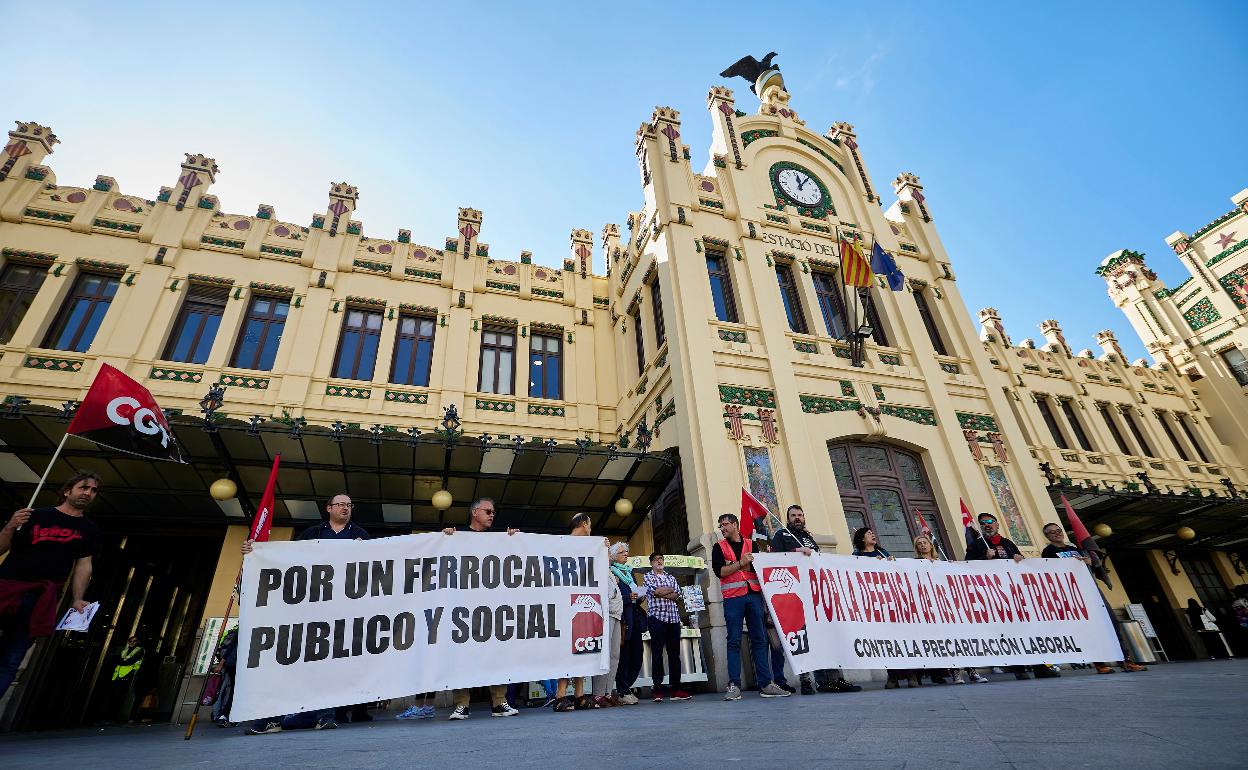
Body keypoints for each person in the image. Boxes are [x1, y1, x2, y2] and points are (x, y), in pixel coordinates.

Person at [242, 493, 371, 734]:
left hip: (340, 613)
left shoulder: (360, 535)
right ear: (329, 508)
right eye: (341, 504)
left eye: (349, 505)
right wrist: (256, 551)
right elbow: (288, 558)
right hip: (306, 611)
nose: (345, 508)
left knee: (328, 664)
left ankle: (326, 715)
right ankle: (272, 718)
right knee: (292, 664)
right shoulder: (312, 533)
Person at [0, 471, 102, 699]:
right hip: (7, 587)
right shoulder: (33, 516)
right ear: (67, 491)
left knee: (12, 658)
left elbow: (84, 566)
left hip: (42, 596)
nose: (88, 493)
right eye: (83, 487)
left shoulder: (89, 529)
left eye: (93, 490)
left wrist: (77, 598)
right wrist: (10, 526)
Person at [440, 497, 521, 720]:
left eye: (494, 512)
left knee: (497, 652)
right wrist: (445, 538)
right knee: (462, 655)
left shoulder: (500, 539)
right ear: (474, 513)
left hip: (493, 608)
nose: (492, 515)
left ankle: (499, 702)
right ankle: (462, 704)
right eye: (488, 511)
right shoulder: (456, 537)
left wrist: (515, 540)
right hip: (464, 609)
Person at [769, 505, 861, 695]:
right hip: (795, 595)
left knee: (826, 637)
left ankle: (833, 680)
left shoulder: (810, 538)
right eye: (793, 515)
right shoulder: (781, 535)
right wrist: (796, 551)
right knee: (803, 638)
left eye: (800, 515)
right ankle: (806, 681)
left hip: (816, 594)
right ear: (787, 518)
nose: (797, 518)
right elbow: (775, 559)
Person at [1040, 522, 1146, 674]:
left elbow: (1089, 566)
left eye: (1058, 530)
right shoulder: (1048, 552)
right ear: (1047, 536)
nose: (1057, 534)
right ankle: (1100, 664)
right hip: (1073, 594)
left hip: (1091, 589)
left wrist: (1089, 562)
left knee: (1112, 622)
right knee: (1090, 627)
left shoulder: (1075, 549)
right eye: (1052, 532)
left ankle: (1126, 660)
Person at [713, 513, 790, 701]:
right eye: (720, 526)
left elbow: (758, 567)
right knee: (734, 640)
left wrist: (735, 566)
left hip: (754, 596)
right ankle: (734, 685)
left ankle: (766, 684)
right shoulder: (718, 547)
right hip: (733, 599)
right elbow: (720, 571)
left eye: (724, 525)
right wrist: (741, 564)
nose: (722, 529)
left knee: (760, 639)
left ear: (735, 524)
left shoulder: (751, 544)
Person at [965, 513, 1045, 680]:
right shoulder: (976, 545)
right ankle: (1019, 668)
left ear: (997, 525)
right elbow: (968, 566)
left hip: (1016, 593)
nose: (987, 525)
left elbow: (1020, 562)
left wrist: (1019, 558)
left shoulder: (1008, 543)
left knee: (1030, 629)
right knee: (1010, 631)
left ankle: (1040, 666)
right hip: (995, 595)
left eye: (990, 522)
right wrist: (984, 558)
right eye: (983, 523)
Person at [554, 512, 609, 712]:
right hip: (566, 602)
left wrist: (603, 553)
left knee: (583, 647)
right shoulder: (562, 543)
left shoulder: (591, 546)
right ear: (584, 524)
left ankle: (579, 695)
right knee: (566, 649)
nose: (591, 530)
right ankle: (560, 695)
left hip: (584, 600)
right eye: (590, 525)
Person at [852, 527, 915, 688]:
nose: (873, 534)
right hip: (875, 602)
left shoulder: (885, 553)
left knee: (902, 637)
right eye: (868, 533)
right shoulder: (857, 556)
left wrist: (891, 563)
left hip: (893, 601)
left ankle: (910, 675)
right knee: (886, 640)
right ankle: (892, 675)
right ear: (861, 539)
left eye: (873, 533)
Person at [643, 552, 694, 702]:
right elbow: (655, 591)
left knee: (674, 655)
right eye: (656, 560)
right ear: (651, 563)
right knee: (657, 654)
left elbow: (678, 595)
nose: (659, 561)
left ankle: (676, 689)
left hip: (673, 619)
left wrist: (663, 593)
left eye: (661, 559)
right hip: (657, 618)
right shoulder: (648, 577)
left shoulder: (671, 577)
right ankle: (657, 689)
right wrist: (668, 591)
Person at [609, 542, 645, 705]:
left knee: (637, 655)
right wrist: (627, 598)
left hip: (635, 617)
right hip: (623, 620)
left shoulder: (629, 572)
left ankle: (625, 687)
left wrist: (640, 596)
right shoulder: (611, 573)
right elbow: (611, 596)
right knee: (624, 656)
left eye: (627, 552)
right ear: (614, 555)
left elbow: (634, 592)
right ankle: (623, 690)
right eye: (622, 552)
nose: (626, 554)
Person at [110, 635, 145, 722]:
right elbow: (116, 660)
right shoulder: (124, 651)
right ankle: (112, 717)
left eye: (135, 641)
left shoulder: (140, 650)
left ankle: (121, 717)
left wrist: (124, 661)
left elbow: (131, 661)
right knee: (114, 696)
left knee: (123, 697)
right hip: (117, 675)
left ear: (138, 642)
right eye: (131, 641)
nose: (132, 643)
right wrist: (123, 661)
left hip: (130, 676)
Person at [212, 627, 240, 726]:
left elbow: (230, 646)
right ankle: (226, 715)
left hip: (231, 663)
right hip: (237, 663)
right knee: (235, 690)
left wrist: (221, 663)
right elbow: (232, 646)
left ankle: (224, 715)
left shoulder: (239, 629)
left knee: (233, 690)